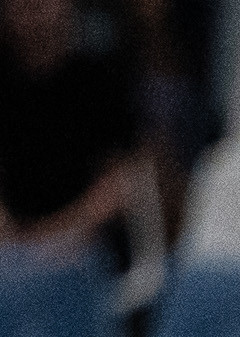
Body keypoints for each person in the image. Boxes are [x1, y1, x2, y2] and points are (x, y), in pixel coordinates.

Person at [0, 0, 142, 261]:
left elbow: (120, 187)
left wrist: (43, 241)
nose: (32, 7)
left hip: (88, 253)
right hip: (10, 256)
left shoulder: (102, 81)